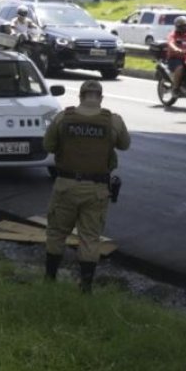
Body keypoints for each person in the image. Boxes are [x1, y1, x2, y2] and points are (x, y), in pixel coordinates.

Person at [43, 80, 130, 293]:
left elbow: (48, 146)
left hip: (66, 186)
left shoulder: (63, 118)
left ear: (80, 96)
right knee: (90, 237)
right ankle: (86, 287)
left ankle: (49, 279)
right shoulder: (113, 121)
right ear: (100, 98)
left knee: (56, 232)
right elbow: (125, 145)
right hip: (96, 189)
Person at [166, 16, 186, 95]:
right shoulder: (173, 35)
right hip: (175, 58)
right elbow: (170, 43)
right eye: (184, 26)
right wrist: (177, 49)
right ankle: (175, 88)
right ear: (178, 26)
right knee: (180, 68)